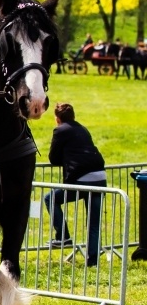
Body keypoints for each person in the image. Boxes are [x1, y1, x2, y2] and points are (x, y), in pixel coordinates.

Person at [43, 103, 106, 267]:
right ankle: (92, 262)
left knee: (50, 199)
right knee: (93, 222)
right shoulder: (83, 129)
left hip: (81, 179)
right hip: (100, 177)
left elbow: (53, 158)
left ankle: (63, 236)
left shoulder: (60, 130)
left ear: (57, 118)